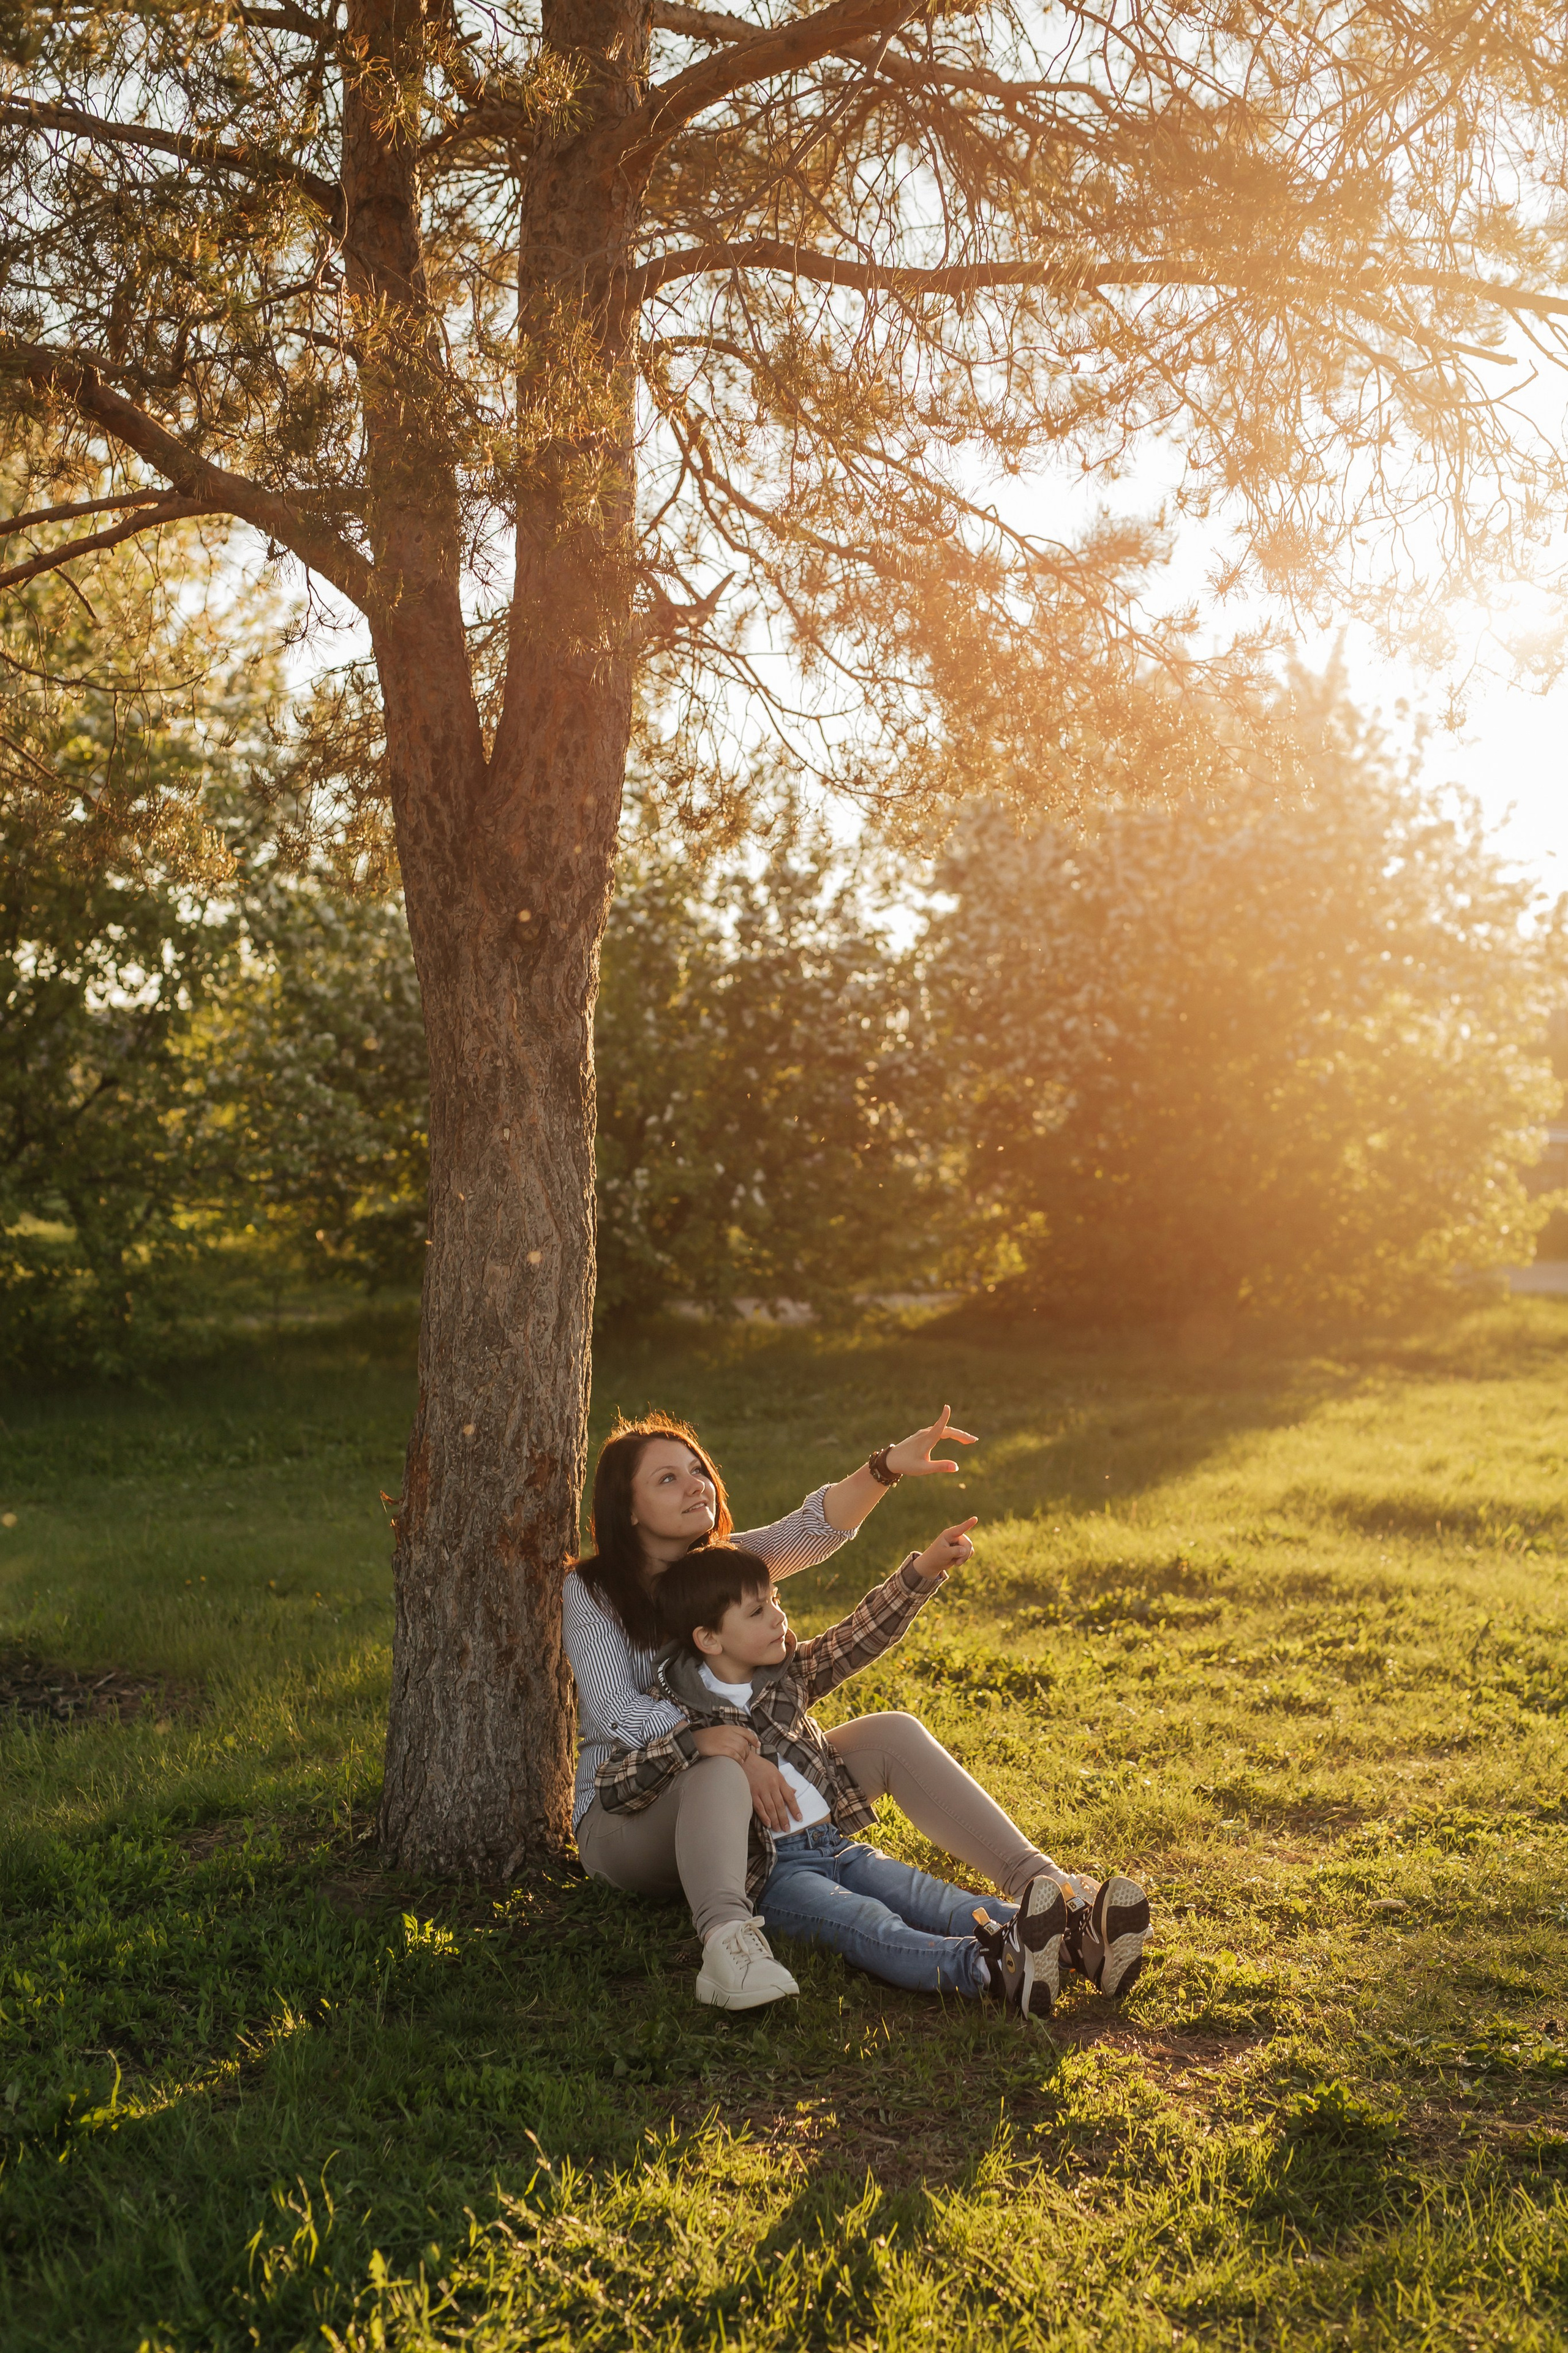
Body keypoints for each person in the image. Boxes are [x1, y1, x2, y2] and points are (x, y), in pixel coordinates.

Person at [595, 1525, 1150, 2017]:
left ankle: (1073, 1941)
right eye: (757, 1611)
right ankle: (988, 1967)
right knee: (868, 1924)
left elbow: (858, 1636)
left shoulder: (787, 1672)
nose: (779, 1618)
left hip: (835, 1846)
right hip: (775, 1875)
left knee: (936, 1899)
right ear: (708, 1637)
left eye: (775, 1600)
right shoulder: (674, 1705)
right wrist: (704, 1746)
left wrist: (923, 1570)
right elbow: (617, 1783)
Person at [565, 1408, 984, 2007]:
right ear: (628, 1510)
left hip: (751, 1802)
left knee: (891, 1733)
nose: (695, 1484)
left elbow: (811, 1530)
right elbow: (616, 1713)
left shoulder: (718, 1566)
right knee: (715, 1768)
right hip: (631, 1816)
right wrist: (734, 1745)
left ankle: (1049, 1891)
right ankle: (729, 1950)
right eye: (666, 1479)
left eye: (696, 1469)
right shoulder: (590, 1591)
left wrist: (886, 1465)